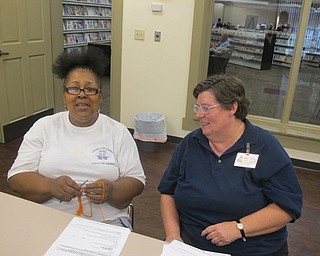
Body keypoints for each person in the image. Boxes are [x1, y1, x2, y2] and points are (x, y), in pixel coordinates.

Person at [158, 75, 303, 256]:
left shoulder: (265, 147)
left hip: (253, 250)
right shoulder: (191, 143)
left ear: (232, 108)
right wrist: (173, 236)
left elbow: (288, 207)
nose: (198, 115)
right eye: (197, 107)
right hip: (192, 248)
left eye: (206, 108)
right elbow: (168, 192)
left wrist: (238, 228)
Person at [7, 49, 146, 230]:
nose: (82, 94)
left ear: (100, 96)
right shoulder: (44, 127)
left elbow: (136, 181)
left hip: (106, 221)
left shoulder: (118, 132)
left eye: (90, 89)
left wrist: (111, 190)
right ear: (64, 96)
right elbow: (16, 177)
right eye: (74, 88)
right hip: (47, 217)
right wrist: (50, 186)